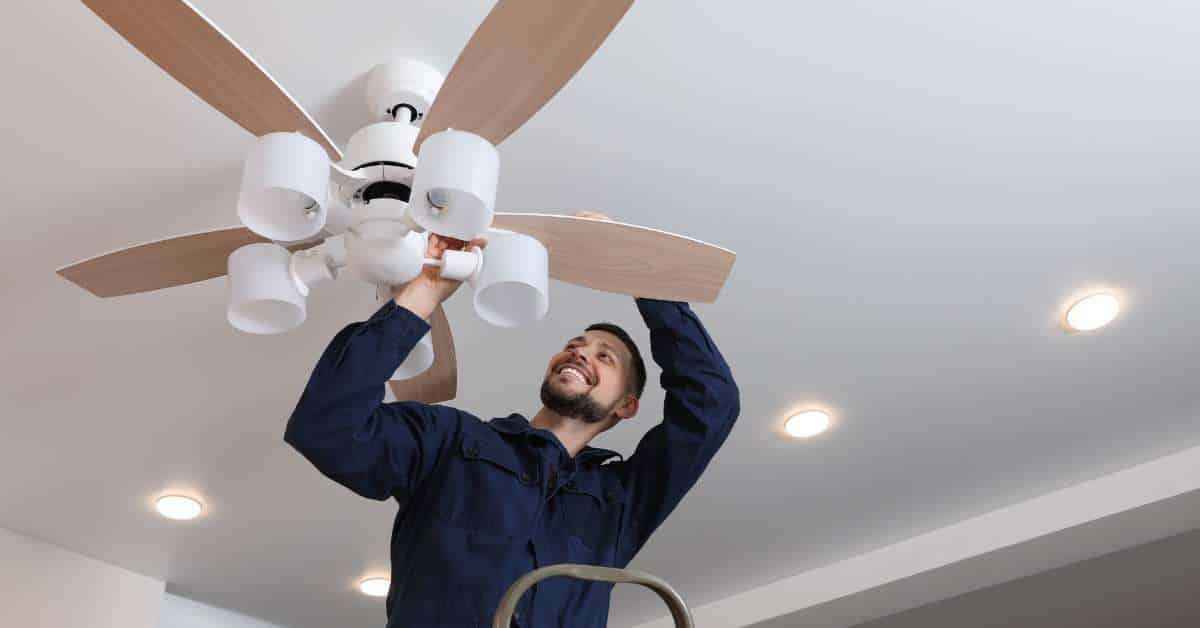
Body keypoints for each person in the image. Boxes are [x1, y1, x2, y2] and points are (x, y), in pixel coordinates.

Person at [285, 213, 740, 627]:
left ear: (626, 405)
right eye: (576, 343)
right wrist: (422, 293)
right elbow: (326, 428)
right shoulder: (450, 441)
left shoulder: (621, 501)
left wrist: (633, 271)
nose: (580, 352)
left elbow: (711, 404)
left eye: (605, 357)